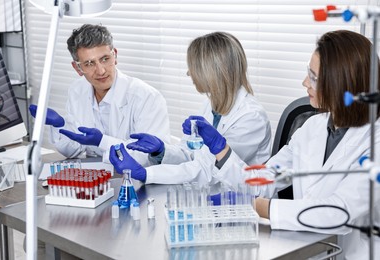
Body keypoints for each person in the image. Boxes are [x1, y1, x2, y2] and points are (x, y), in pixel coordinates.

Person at [190, 30, 380, 259]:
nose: (304, 83)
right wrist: (221, 150)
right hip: (307, 248)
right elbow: (265, 180)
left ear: (343, 85)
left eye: (314, 77)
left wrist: (258, 207)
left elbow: (339, 212)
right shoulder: (312, 127)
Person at [109, 32, 272, 189]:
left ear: (210, 72)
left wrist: (147, 174)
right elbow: (191, 154)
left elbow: (208, 171)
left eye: (193, 67)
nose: (188, 73)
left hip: (244, 202)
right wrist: (161, 151)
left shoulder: (251, 117)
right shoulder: (212, 104)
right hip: (211, 195)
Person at [29, 24, 170, 165]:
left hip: (135, 180)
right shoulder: (77, 90)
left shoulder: (146, 98)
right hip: (98, 178)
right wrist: (60, 126)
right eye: (89, 63)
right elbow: (74, 150)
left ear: (115, 56)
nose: (101, 71)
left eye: (105, 59)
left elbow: (147, 158)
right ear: (77, 68)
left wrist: (102, 141)